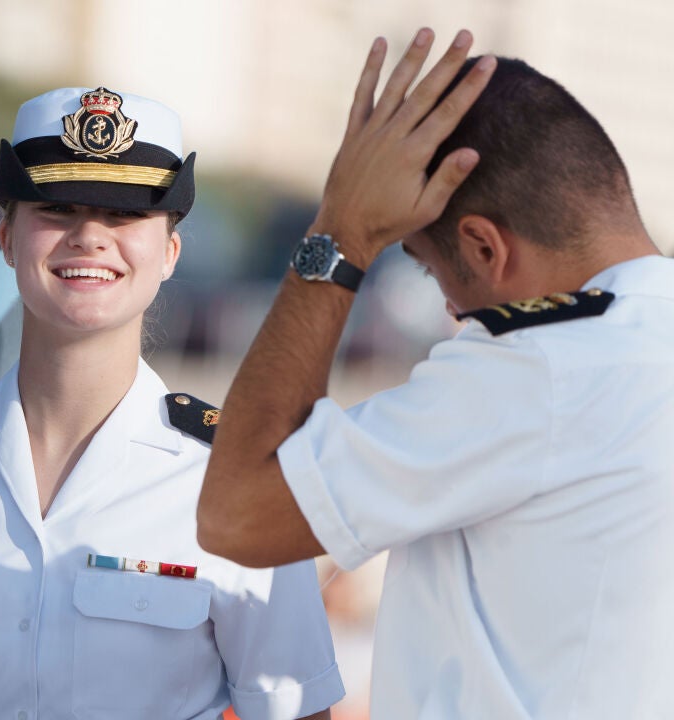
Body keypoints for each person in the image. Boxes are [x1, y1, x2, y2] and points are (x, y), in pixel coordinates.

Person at [0, 86, 345, 720]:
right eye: (59, 208)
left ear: (170, 253)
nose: (89, 236)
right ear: (8, 237)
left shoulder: (236, 481)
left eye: (124, 216)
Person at [197, 28, 674, 718]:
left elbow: (236, 514)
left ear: (483, 245)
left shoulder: (542, 367)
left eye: (428, 265)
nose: (449, 306)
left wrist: (342, 231)